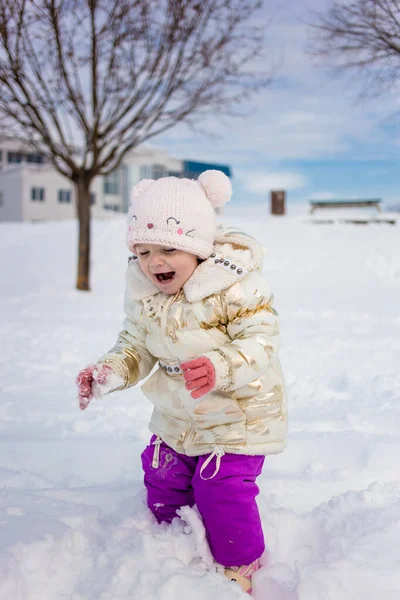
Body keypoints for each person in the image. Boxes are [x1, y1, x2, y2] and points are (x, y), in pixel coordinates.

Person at [75, 170, 287, 595]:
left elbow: (261, 340)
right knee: (161, 473)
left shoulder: (234, 286)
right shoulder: (145, 293)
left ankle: (239, 559)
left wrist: (220, 365)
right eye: (144, 250)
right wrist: (112, 370)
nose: (155, 262)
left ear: (199, 246)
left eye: (169, 248)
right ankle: (170, 541)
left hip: (238, 414)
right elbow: (135, 343)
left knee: (220, 488)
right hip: (178, 412)